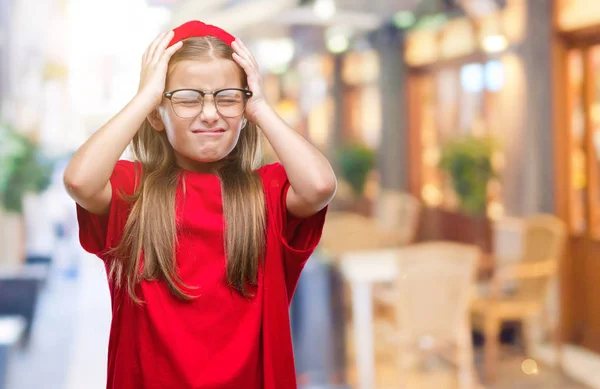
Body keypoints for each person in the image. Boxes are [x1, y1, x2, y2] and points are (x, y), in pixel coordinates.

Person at [63, 20, 336, 389]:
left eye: (227, 98)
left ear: (246, 108)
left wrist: (262, 110)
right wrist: (146, 98)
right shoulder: (133, 192)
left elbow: (320, 186)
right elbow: (79, 180)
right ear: (157, 113)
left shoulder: (265, 193)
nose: (210, 113)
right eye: (188, 98)